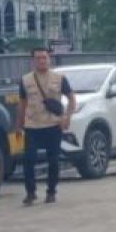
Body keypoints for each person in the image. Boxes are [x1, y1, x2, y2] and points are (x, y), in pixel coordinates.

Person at [15, 48, 75, 205]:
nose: (42, 61)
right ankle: (30, 193)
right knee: (29, 159)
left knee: (53, 160)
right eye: (38, 58)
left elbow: (71, 98)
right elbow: (22, 103)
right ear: (33, 61)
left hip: (53, 125)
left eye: (44, 57)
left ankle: (51, 192)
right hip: (32, 126)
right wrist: (19, 124)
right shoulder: (25, 80)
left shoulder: (59, 78)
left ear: (49, 59)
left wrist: (66, 117)